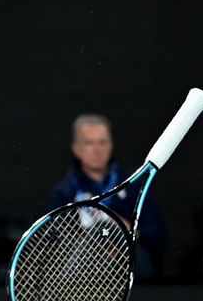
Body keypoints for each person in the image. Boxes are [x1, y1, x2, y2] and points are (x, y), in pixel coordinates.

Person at [48, 114, 167, 278]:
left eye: (103, 142)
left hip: (132, 272)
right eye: (89, 143)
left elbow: (158, 234)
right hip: (84, 276)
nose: (97, 149)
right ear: (76, 149)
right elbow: (55, 242)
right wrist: (97, 246)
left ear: (111, 146)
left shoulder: (134, 185)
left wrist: (129, 233)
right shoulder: (64, 192)